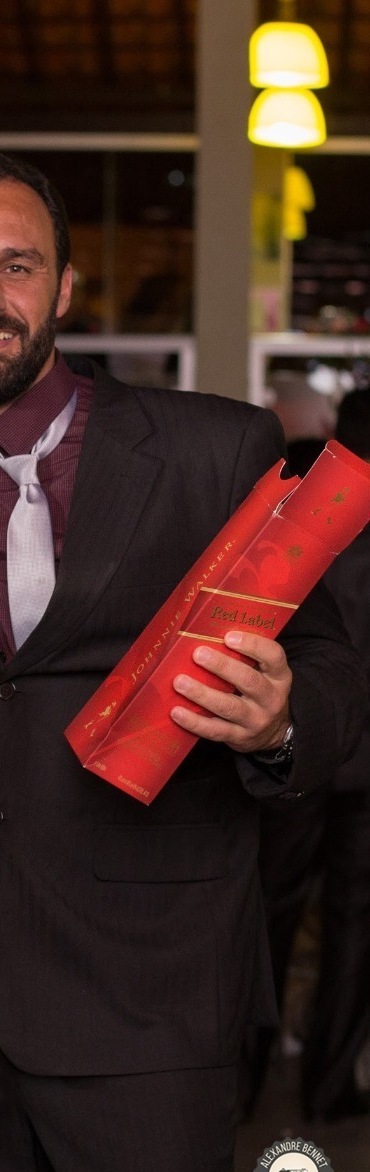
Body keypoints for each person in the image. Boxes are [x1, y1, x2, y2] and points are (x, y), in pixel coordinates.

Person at [0, 151, 364, 1172]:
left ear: (67, 287)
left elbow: (334, 669)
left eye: (16, 264)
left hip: (150, 1002)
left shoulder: (211, 447)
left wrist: (282, 720)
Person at [242, 386, 370, 1123]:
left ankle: (240, 1089)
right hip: (355, 760)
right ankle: (329, 1089)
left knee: (268, 919)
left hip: (294, 751)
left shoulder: (305, 509)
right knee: (354, 926)